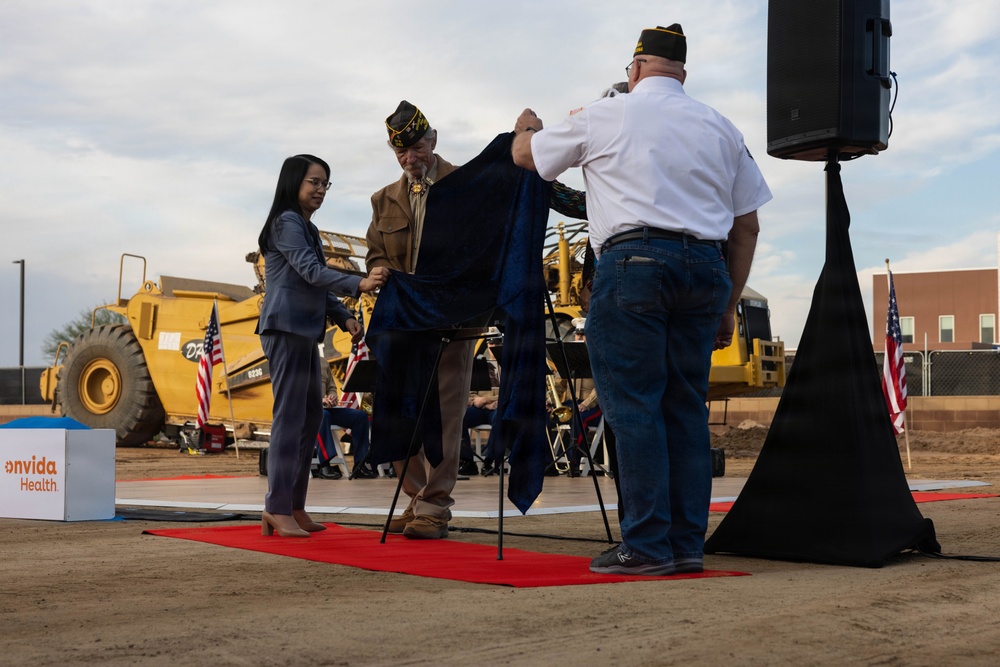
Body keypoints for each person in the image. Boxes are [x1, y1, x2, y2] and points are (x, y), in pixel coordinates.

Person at [512, 24, 772, 574]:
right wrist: (726, 303)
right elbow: (746, 226)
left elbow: (529, 160)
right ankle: (685, 546)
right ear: (681, 73)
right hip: (705, 271)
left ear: (634, 71)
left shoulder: (608, 113)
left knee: (634, 407)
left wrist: (526, 129)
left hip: (634, 267)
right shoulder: (722, 127)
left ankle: (647, 545)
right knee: (684, 408)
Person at [256, 154, 389, 538]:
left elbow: (312, 283)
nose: (320, 190)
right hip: (285, 328)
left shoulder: (307, 228)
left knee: (310, 418)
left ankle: (294, 507)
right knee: (290, 419)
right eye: (314, 182)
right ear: (293, 182)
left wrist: (342, 316)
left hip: (303, 331)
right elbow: (311, 272)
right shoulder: (286, 222)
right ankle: (276, 507)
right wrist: (360, 283)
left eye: (325, 184)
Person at [365, 101, 476, 539]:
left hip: (451, 320)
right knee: (399, 408)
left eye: (415, 148)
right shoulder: (383, 199)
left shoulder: (464, 184)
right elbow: (375, 249)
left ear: (433, 141)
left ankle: (435, 505)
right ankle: (415, 496)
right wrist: (376, 268)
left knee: (447, 413)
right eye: (401, 153)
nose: (409, 159)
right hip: (403, 319)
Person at [317, 349, 377, 479]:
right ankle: (325, 465)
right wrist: (320, 400)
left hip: (327, 408)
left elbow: (332, 387)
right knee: (322, 415)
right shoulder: (297, 364)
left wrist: (332, 398)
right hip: (307, 410)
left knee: (360, 416)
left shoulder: (323, 363)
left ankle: (360, 464)